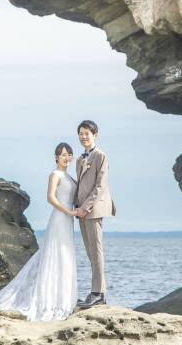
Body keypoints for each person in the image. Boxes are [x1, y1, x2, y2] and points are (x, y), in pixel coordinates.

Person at [0, 142, 78, 321]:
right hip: (60, 218)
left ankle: (63, 298)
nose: (66, 157)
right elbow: (50, 197)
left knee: (65, 254)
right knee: (55, 253)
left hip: (68, 219)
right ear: (56, 157)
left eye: (69, 154)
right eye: (63, 154)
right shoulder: (55, 174)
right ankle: (49, 301)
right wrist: (68, 211)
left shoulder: (70, 176)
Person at [73, 119, 116, 308]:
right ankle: (100, 293)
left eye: (87, 133)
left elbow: (101, 186)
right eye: (81, 133)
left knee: (96, 251)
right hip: (81, 211)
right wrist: (76, 207)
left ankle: (97, 293)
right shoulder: (80, 159)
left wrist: (86, 207)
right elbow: (80, 185)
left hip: (93, 210)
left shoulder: (100, 156)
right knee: (90, 253)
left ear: (95, 135)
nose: (83, 137)